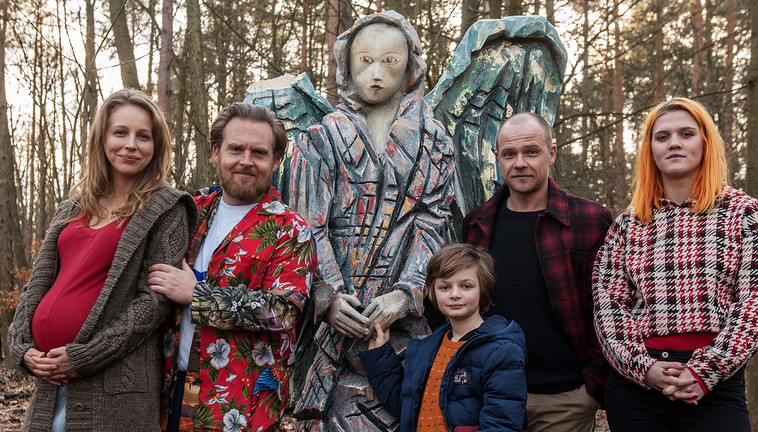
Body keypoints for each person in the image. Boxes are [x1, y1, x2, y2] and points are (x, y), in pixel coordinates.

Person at [290, 10, 454, 432]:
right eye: (365, 61)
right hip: (339, 324)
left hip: (404, 327)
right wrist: (329, 296)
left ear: (411, 67)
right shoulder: (320, 138)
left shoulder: (434, 140)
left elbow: (432, 222)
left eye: (390, 61)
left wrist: (407, 293)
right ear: (346, 65)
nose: (376, 73)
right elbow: (307, 225)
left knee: (411, 410)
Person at [6, 88, 197, 431]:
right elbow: (37, 284)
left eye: (143, 136)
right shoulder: (72, 208)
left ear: (156, 146)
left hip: (116, 392)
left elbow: (153, 303)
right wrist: (21, 348)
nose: (131, 144)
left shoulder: (167, 208)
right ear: (102, 139)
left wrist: (85, 356)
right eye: (120, 132)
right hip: (49, 382)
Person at [592, 97, 758, 431]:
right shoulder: (627, 225)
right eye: (662, 137)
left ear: (705, 142)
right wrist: (643, 368)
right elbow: (608, 305)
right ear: (651, 150)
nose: (674, 143)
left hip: (716, 385)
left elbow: (756, 302)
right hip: (638, 390)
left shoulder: (745, 214)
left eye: (686, 134)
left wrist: (705, 371)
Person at [149, 103, 317, 432]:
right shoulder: (190, 211)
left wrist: (196, 295)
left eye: (259, 152)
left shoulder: (291, 230)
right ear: (216, 152)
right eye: (236, 149)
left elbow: (281, 311)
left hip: (240, 408)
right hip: (172, 391)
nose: (246, 160)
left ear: (275, 161)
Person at [462, 112, 612, 432]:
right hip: (490, 396)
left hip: (564, 400)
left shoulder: (590, 219)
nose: (520, 163)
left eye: (531, 152)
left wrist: (592, 388)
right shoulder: (477, 223)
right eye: (509, 154)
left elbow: (608, 308)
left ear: (551, 153)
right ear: (497, 158)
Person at [359, 243, 527, 432]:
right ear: (433, 291)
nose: (455, 295)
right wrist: (380, 356)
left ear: (483, 289)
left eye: (466, 286)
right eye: (445, 287)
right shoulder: (428, 347)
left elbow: (502, 424)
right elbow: (407, 408)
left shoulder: (501, 351)